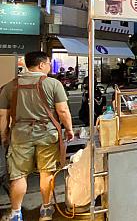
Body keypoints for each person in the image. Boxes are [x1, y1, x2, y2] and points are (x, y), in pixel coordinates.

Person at [0, 51, 74, 221]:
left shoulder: (10, 86)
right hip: (47, 134)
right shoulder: (53, 84)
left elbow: (3, 116)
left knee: (18, 175)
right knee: (46, 173)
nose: (49, 66)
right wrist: (69, 129)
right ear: (41, 65)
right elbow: (62, 111)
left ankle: (16, 213)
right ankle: (46, 210)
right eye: (48, 63)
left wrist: (4, 135)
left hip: (19, 135)